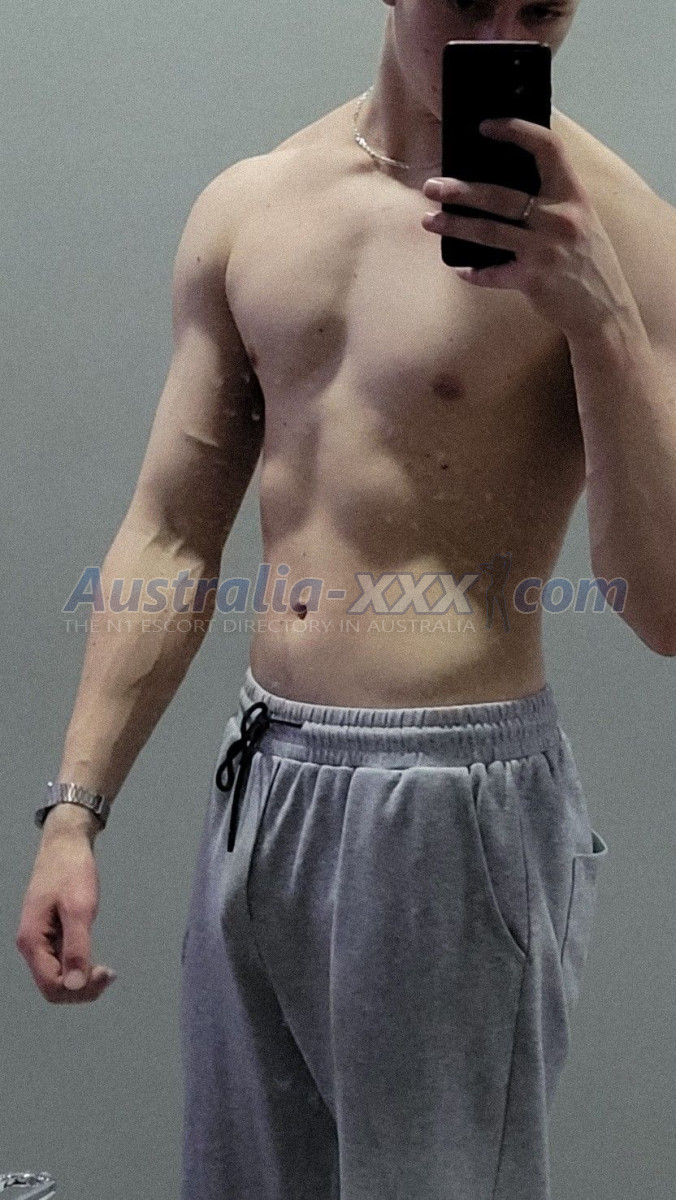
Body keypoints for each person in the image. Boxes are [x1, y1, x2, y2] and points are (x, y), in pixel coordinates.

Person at [16, 0, 676, 1196]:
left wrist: (604, 322)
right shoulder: (255, 206)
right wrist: (75, 812)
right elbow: (168, 535)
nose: (497, 34)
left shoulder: (619, 239)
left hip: (449, 803)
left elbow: (665, 608)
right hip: (263, 775)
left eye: (538, 10)